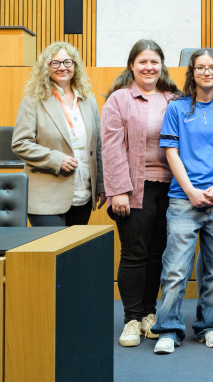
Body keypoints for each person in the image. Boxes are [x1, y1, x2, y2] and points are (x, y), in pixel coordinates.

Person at [152, 49, 213, 354]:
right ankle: (168, 328)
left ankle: (211, 326)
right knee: (176, 269)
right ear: (192, 72)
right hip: (183, 200)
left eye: (212, 68)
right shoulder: (177, 109)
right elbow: (171, 153)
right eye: (201, 68)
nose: (207, 72)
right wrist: (190, 190)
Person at [102, 40, 181, 348]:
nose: (149, 67)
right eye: (143, 61)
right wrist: (118, 190)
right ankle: (132, 319)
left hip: (171, 189)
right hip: (135, 189)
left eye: (154, 61)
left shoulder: (173, 98)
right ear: (132, 65)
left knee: (157, 254)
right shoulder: (120, 99)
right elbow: (111, 149)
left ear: (162, 66)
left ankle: (150, 314)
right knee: (135, 254)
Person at [12, 42, 105, 226]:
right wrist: (56, 159)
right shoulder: (33, 101)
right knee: (53, 254)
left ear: (75, 65)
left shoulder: (89, 101)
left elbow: (98, 147)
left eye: (67, 62)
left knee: (73, 254)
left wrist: (100, 185)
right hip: (46, 199)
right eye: (55, 63)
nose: (62, 67)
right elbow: (20, 143)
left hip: (83, 195)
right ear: (46, 67)